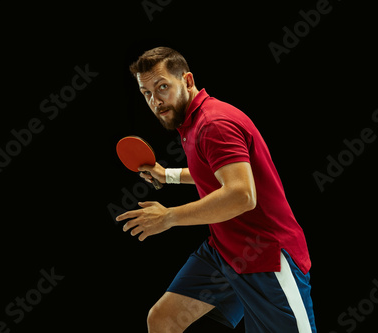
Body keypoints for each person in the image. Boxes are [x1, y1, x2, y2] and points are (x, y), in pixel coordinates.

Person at [116, 47, 316, 333]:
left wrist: (168, 217)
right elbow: (212, 173)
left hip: (266, 255)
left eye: (162, 87)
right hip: (225, 250)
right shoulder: (192, 122)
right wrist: (166, 175)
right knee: (162, 320)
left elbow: (241, 195)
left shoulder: (214, 124)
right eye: (146, 93)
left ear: (186, 80)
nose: (155, 101)